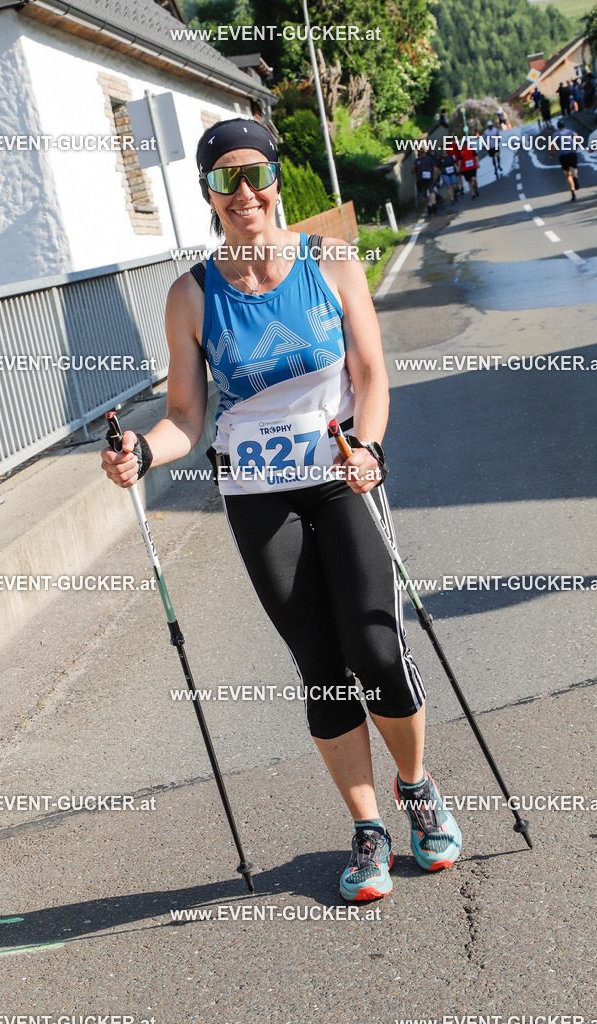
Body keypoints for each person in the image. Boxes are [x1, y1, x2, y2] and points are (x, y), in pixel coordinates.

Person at [101, 117, 462, 902]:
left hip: (339, 475)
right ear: (206, 194)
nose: (244, 193)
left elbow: (370, 372)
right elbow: (188, 417)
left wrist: (368, 449)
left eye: (255, 175)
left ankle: (415, 783)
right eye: (225, 179)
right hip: (258, 497)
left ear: (274, 180)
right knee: (322, 669)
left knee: (374, 647)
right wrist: (142, 451)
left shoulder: (330, 260)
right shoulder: (191, 297)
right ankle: (367, 828)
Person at [550, 118, 582, 201]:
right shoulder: (570, 132)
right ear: (564, 126)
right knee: (574, 170)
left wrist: (551, 154)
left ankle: (572, 192)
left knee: (568, 175)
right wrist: (575, 147)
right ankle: (575, 179)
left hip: (563, 155)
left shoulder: (556, 134)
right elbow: (578, 139)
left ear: (558, 127)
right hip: (572, 153)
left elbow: (553, 145)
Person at [412, 144, 441, 217]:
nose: (422, 153)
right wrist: (413, 168)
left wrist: (435, 175)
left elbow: (434, 167)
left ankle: (434, 205)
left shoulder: (429, 159)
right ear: (419, 153)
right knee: (424, 194)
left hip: (429, 178)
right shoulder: (416, 161)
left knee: (431, 192)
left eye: (423, 152)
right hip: (421, 180)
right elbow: (412, 171)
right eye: (421, 152)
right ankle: (429, 206)